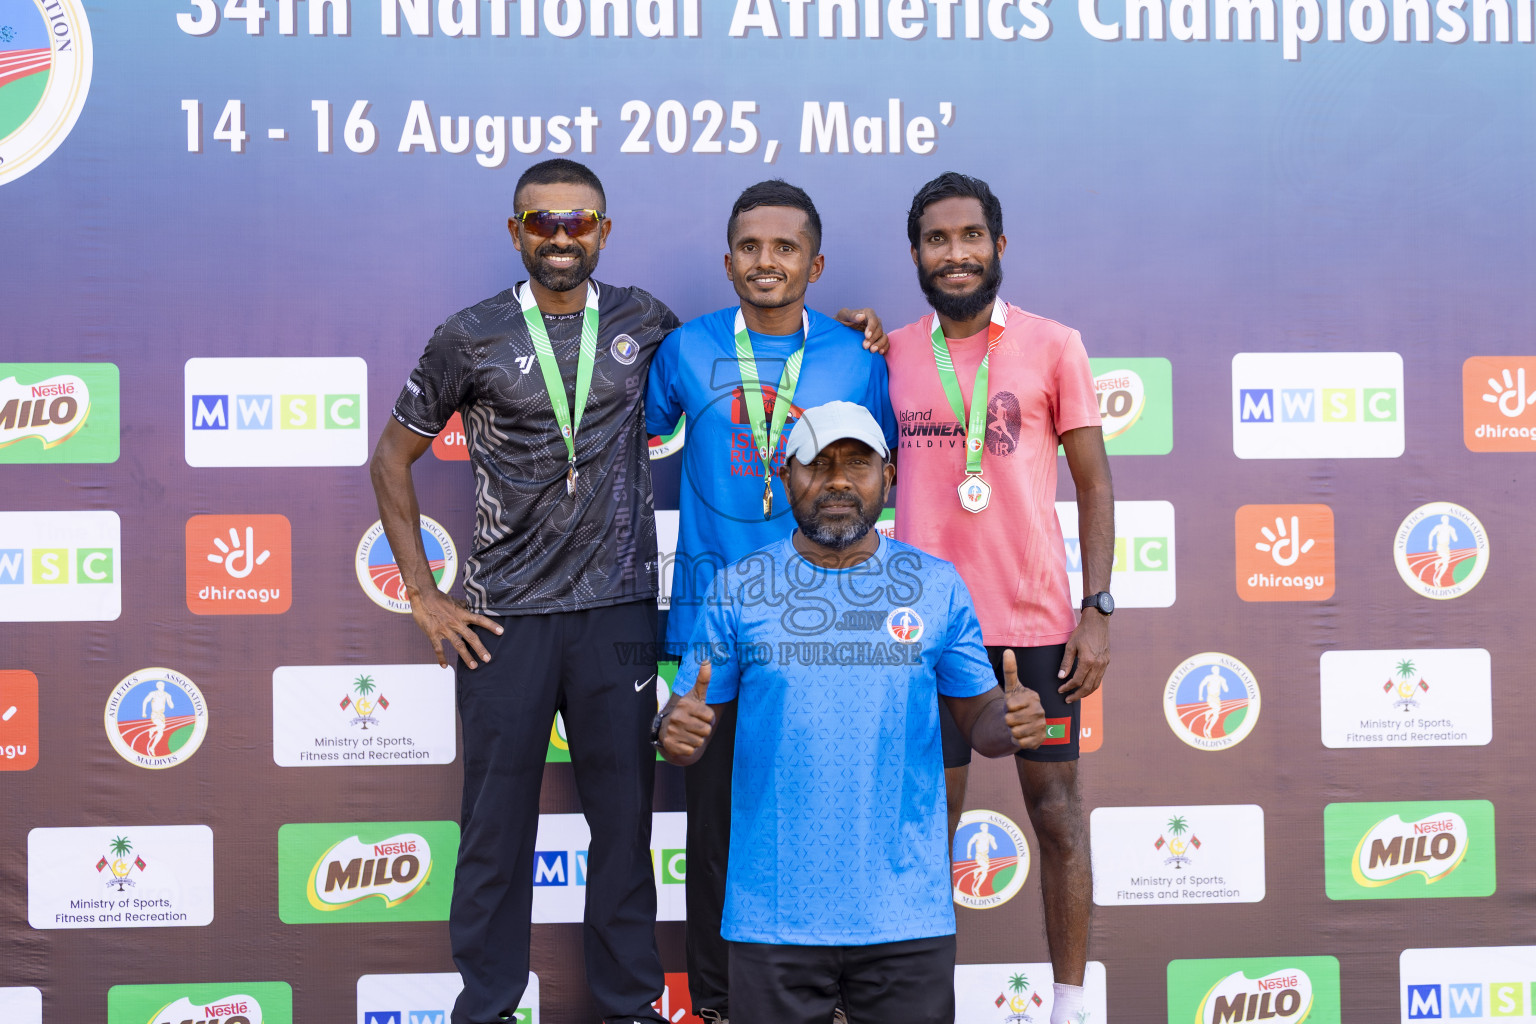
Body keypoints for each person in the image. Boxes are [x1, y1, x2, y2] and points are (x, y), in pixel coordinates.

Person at [370, 158, 677, 1024]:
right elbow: (391, 458)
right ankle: (490, 1005)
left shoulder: (644, 318)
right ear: (515, 233)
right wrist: (427, 598)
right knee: (496, 831)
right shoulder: (468, 335)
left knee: (623, 828)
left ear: (603, 233)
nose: (560, 238)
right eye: (540, 223)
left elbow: (733, 364)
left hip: (617, 609)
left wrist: (844, 338)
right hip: (504, 619)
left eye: (578, 222)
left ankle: (628, 1005)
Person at [653, 401, 1049, 1024]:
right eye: (818, 463)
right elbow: (688, 726)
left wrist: (1013, 724)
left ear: (888, 477)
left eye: (858, 464)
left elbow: (980, 720)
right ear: (786, 477)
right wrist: (671, 732)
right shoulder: (737, 588)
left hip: (904, 911)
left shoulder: (935, 585)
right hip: (774, 912)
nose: (838, 480)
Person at [644, 180, 897, 1024]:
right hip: (710, 628)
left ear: (814, 264)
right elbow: (628, 434)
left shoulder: (858, 359)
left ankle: (828, 1001)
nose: (766, 261)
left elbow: (880, 478)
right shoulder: (683, 350)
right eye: (750, 247)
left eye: (785, 248)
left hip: (825, 622)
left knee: (821, 810)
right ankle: (716, 1006)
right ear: (728, 260)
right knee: (714, 834)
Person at [884, 172, 1114, 1024]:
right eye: (937, 240)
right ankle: (913, 1004)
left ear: (999, 247)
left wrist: (1097, 607)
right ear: (916, 254)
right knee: (925, 832)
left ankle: (1069, 1005)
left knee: (1057, 819)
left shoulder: (1056, 345)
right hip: (923, 633)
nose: (955, 253)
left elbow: (1093, 482)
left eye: (970, 237)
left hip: (1037, 631)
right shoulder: (895, 353)